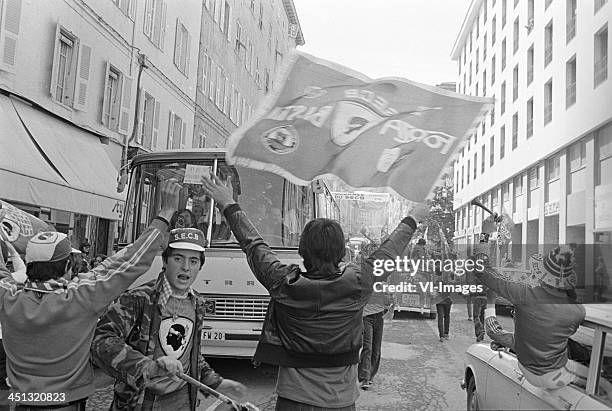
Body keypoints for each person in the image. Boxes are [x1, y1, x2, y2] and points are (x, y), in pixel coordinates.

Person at [200, 174, 428, 410]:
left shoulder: (283, 283)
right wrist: (412, 218)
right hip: (341, 402)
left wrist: (229, 203)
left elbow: (254, 245)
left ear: (303, 251)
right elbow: (389, 251)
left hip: (293, 401)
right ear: (341, 254)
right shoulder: (359, 282)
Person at [0, 179, 182, 410]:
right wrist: (165, 213)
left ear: (30, 266)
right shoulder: (79, 298)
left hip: (19, 402)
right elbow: (130, 260)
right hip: (65, 403)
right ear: (68, 267)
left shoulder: (8, 297)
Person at [91, 227, 246, 410]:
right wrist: (147, 366)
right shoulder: (138, 299)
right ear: (165, 260)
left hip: (183, 400)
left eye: (193, 261)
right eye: (178, 258)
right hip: (141, 401)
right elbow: (101, 339)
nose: (186, 267)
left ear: (200, 266)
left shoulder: (197, 304)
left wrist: (215, 382)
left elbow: (191, 356)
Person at [474, 246, 588, 389]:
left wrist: (484, 238)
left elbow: (481, 271)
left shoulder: (524, 294)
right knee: (601, 383)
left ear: (543, 277)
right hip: (555, 375)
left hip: (527, 370)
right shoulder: (578, 311)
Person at [433, 271, 452, 342]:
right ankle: (446, 333)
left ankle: (442, 336)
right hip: (447, 300)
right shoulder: (448, 279)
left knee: (440, 318)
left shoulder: (436, 281)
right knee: (446, 316)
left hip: (440, 301)